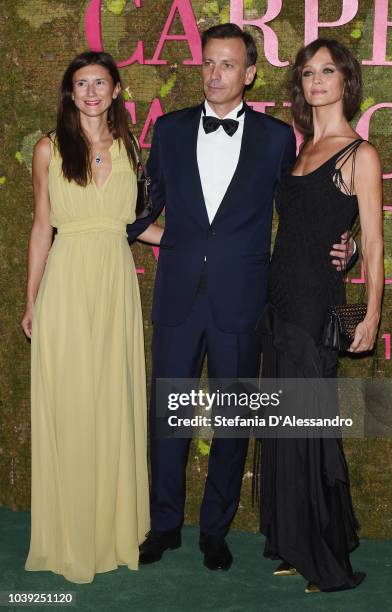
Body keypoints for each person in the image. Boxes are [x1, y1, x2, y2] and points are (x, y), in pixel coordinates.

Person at [126, 24, 353, 572]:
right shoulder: (172, 129)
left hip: (244, 301)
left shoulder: (277, 139)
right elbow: (139, 210)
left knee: (232, 421)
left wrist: (352, 243)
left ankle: (214, 531)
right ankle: (163, 526)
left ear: (250, 74)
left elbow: (303, 210)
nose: (214, 73)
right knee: (169, 418)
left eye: (227, 64)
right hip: (179, 298)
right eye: (208, 63)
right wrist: (166, 239)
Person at [22, 51, 161, 584]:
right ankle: (71, 536)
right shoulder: (48, 150)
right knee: (74, 405)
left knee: (112, 403)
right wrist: (31, 299)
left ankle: (111, 531)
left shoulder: (130, 149)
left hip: (115, 286)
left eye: (100, 82)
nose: (91, 92)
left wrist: (195, 246)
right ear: (70, 93)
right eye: (81, 84)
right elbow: (41, 227)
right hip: (67, 285)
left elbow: (130, 225)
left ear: (116, 88)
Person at [257, 38, 383, 592]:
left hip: (316, 306)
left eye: (327, 71)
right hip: (279, 299)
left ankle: (328, 557)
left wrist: (371, 313)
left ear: (346, 81)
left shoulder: (361, 154)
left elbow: (373, 243)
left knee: (313, 429)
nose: (316, 81)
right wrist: (346, 243)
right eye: (308, 73)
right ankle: (296, 542)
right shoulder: (300, 149)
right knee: (287, 430)